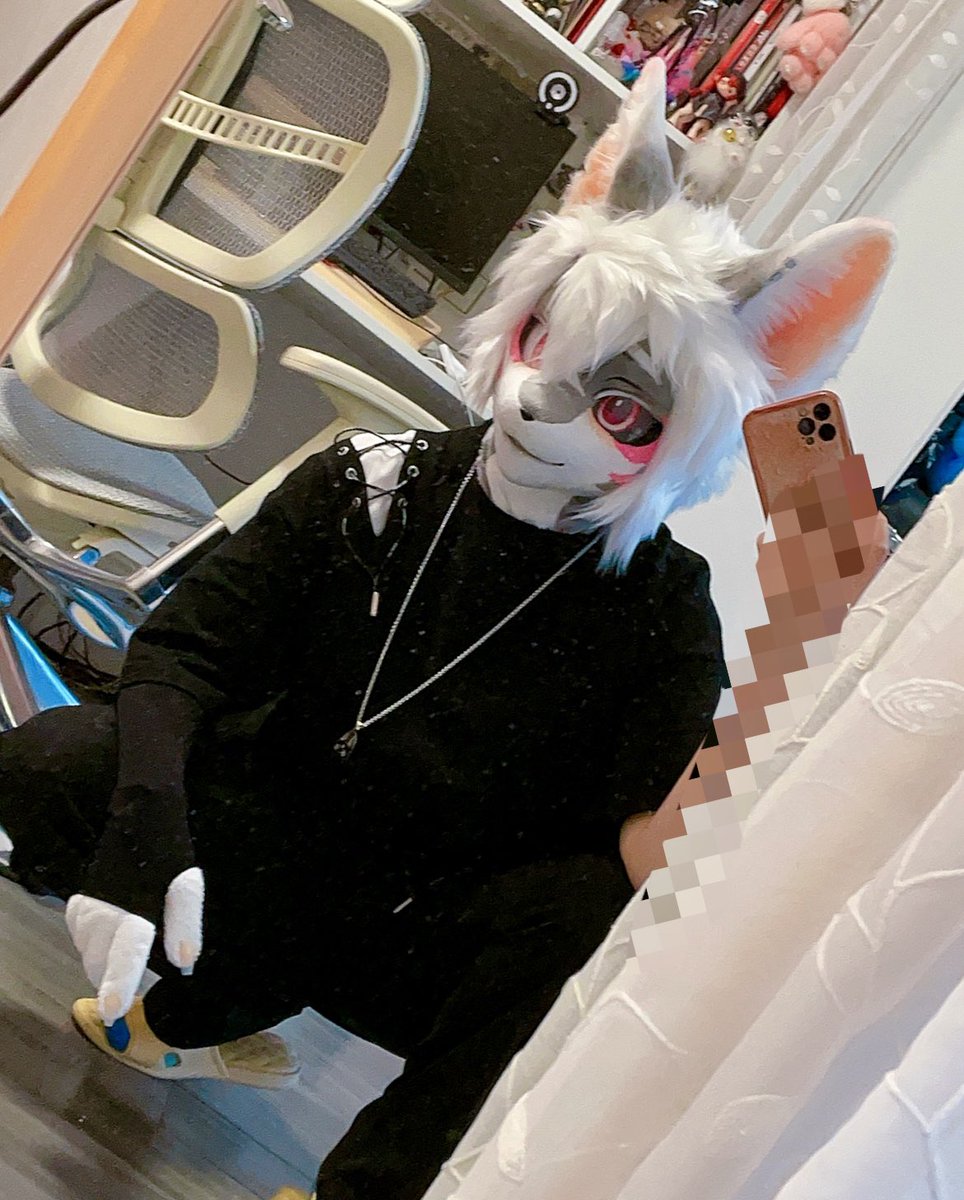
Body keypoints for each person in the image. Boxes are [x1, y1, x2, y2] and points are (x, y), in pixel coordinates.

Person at [0, 60, 895, 1200]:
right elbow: (187, 651)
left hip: (410, 930)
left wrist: (793, 672)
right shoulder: (375, 484)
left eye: (620, 405)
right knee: (56, 761)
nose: (537, 399)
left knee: (579, 916)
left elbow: (634, 864)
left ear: (684, 435)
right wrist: (144, 823)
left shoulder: (661, 613)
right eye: (541, 342)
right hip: (255, 854)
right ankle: (189, 1012)